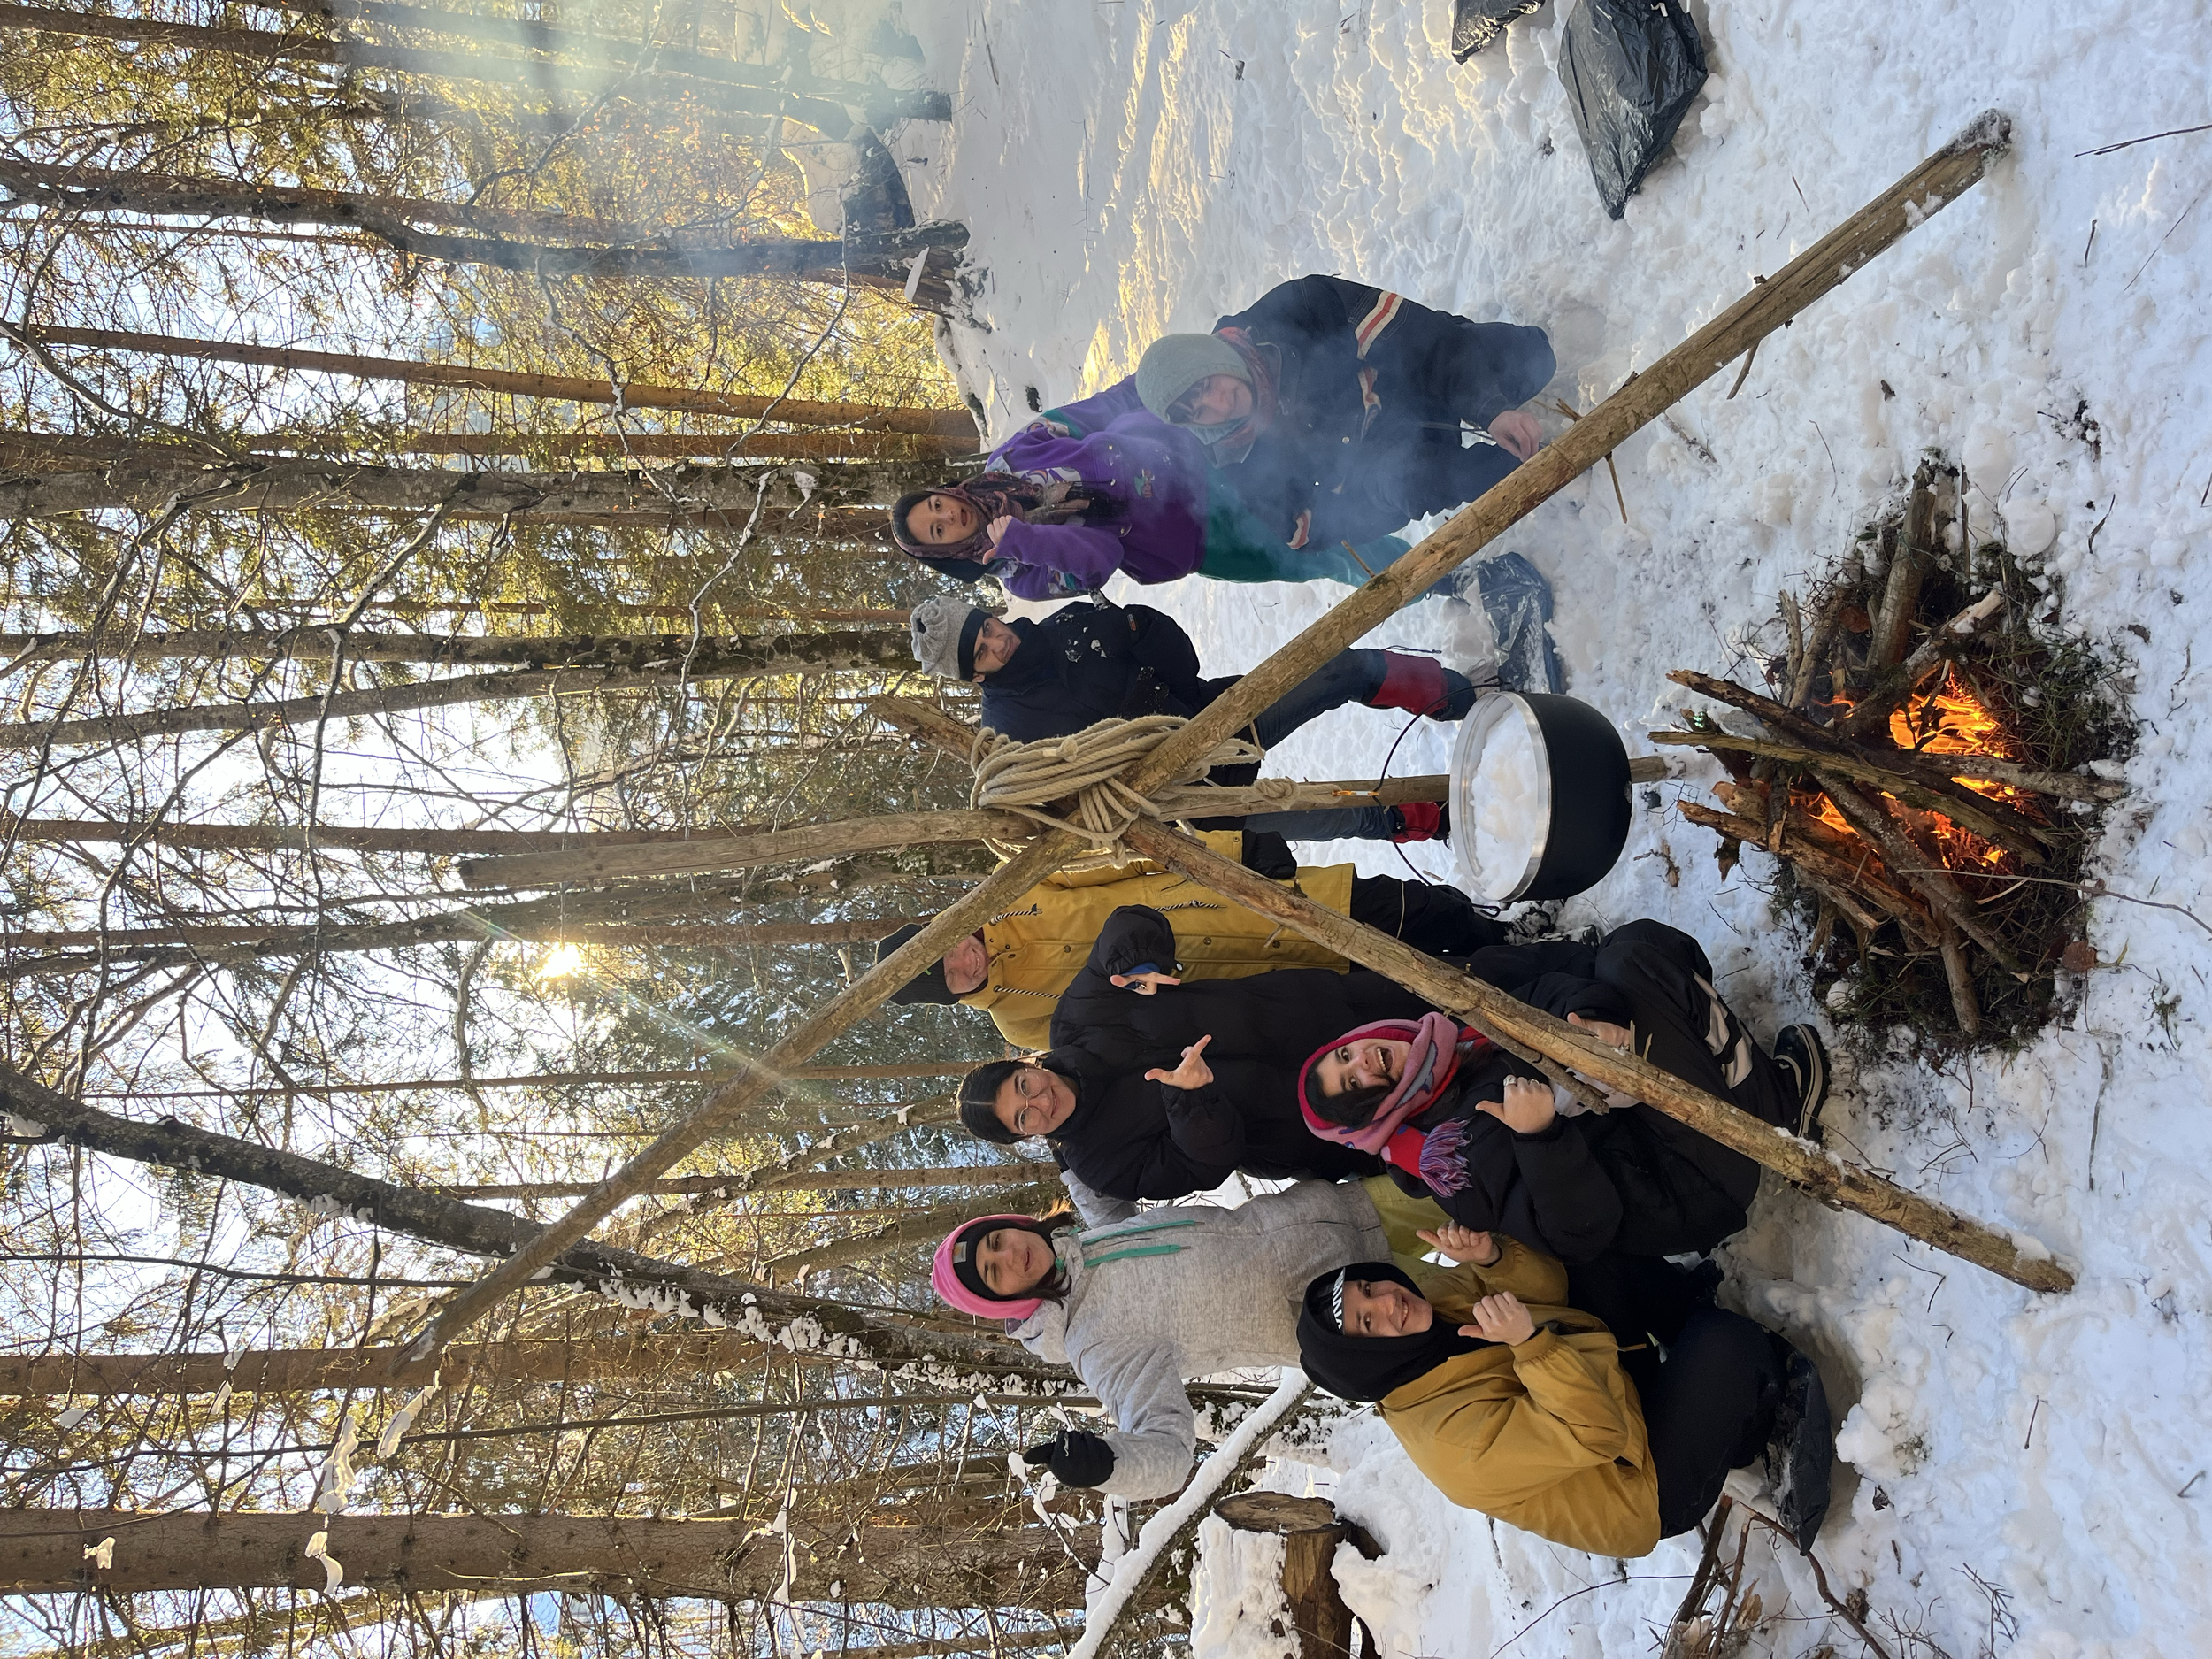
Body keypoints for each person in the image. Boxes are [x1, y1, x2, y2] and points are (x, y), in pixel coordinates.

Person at [1296, 922, 1831, 1263]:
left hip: (1646, 1126)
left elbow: (1542, 995)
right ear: (1369, 1114)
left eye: (1345, 1056)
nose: (1362, 1064)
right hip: (1688, 1182)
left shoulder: (1453, 1044)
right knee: (1636, 966)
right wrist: (1540, 1138)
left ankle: (1727, 1073)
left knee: (1638, 947)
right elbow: (1579, 1235)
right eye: (1352, 1086)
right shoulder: (1450, 1160)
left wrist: (1592, 1019)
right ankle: (1779, 1110)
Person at [1294, 1225, 1833, 1555]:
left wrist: (1491, 1260)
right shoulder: (1455, 1446)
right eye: (1369, 1325)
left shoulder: (1424, 1309)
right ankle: (1754, 1433)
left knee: (1591, 1262)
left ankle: (1690, 1327)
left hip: (1604, 1385)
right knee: (1726, 1345)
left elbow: (1548, 1295)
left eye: (1368, 1288)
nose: (1387, 1304)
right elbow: (1597, 1434)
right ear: (1369, 1362)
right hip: (1637, 1477)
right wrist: (1529, 1344)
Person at [929, 1176, 1442, 1499]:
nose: (1010, 1256)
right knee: (1510, 1288)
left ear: (1009, 1225)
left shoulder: (1083, 1246)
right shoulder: (1094, 1346)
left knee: (1505, 1195)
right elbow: (1170, 1450)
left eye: (995, 1242)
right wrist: (1109, 1466)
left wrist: (1069, 1153)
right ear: (1006, 1300)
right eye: (996, 1274)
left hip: (1350, 1211)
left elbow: (1116, 1212)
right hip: (1361, 1315)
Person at [1042, 276, 1556, 585]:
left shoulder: (1300, 310)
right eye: (1197, 411)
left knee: (1534, 358)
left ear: (1212, 356)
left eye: (1206, 385)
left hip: (1418, 373)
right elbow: (1307, 533)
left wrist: (1489, 410)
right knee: (1460, 474)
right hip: (1396, 460)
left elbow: (1424, 340)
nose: (1219, 405)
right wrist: (1407, 486)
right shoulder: (1238, 461)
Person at [957, 904, 1447, 1208]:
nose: (1040, 1102)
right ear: (1027, 1136)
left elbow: (1127, 924)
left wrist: (1135, 962)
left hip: (1318, 1011)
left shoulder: (1079, 1018)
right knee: (1456, 1095)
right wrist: (1189, 1102)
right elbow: (1201, 1168)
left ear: (1027, 1065)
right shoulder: (1100, 1162)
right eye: (1025, 1119)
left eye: (1023, 1087)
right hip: (1321, 1124)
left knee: (1459, 992)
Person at [874, 828, 1507, 1051]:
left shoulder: (1010, 890)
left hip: (1231, 906)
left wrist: (1231, 852)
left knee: (1406, 907)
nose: (964, 961)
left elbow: (1122, 860)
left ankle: (1503, 930)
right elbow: (1106, 1031)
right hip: (1236, 984)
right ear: (953, 998)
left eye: (946, 949)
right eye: (952, 976)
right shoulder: (1018, 1023)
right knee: (1405, 979)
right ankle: (1513, 974)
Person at [908, 591, 1473, 840]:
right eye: (981, 651)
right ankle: (1439, 822)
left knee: (1343, 670)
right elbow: (1072, 806)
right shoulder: (1011, 735)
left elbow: (1182, 668)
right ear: (974, 675)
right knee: (1339, 817)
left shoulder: (1068, 625)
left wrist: (1144, 629)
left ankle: (1455, 696)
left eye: (985, 627)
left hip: (1216, 718)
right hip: (1195, 803)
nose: (996, 641)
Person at [890, 414, 1215, 600]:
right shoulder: (1022, 577)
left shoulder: (1009, 458)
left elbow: (1090, 413)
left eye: (936, 504)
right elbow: (1103, 558)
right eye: (938, 530)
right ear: (945, 553)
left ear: (943, 492)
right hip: (1199, 537)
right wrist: (1025, 543)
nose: (947, 515)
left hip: (1188, 441)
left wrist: (1159, 391)